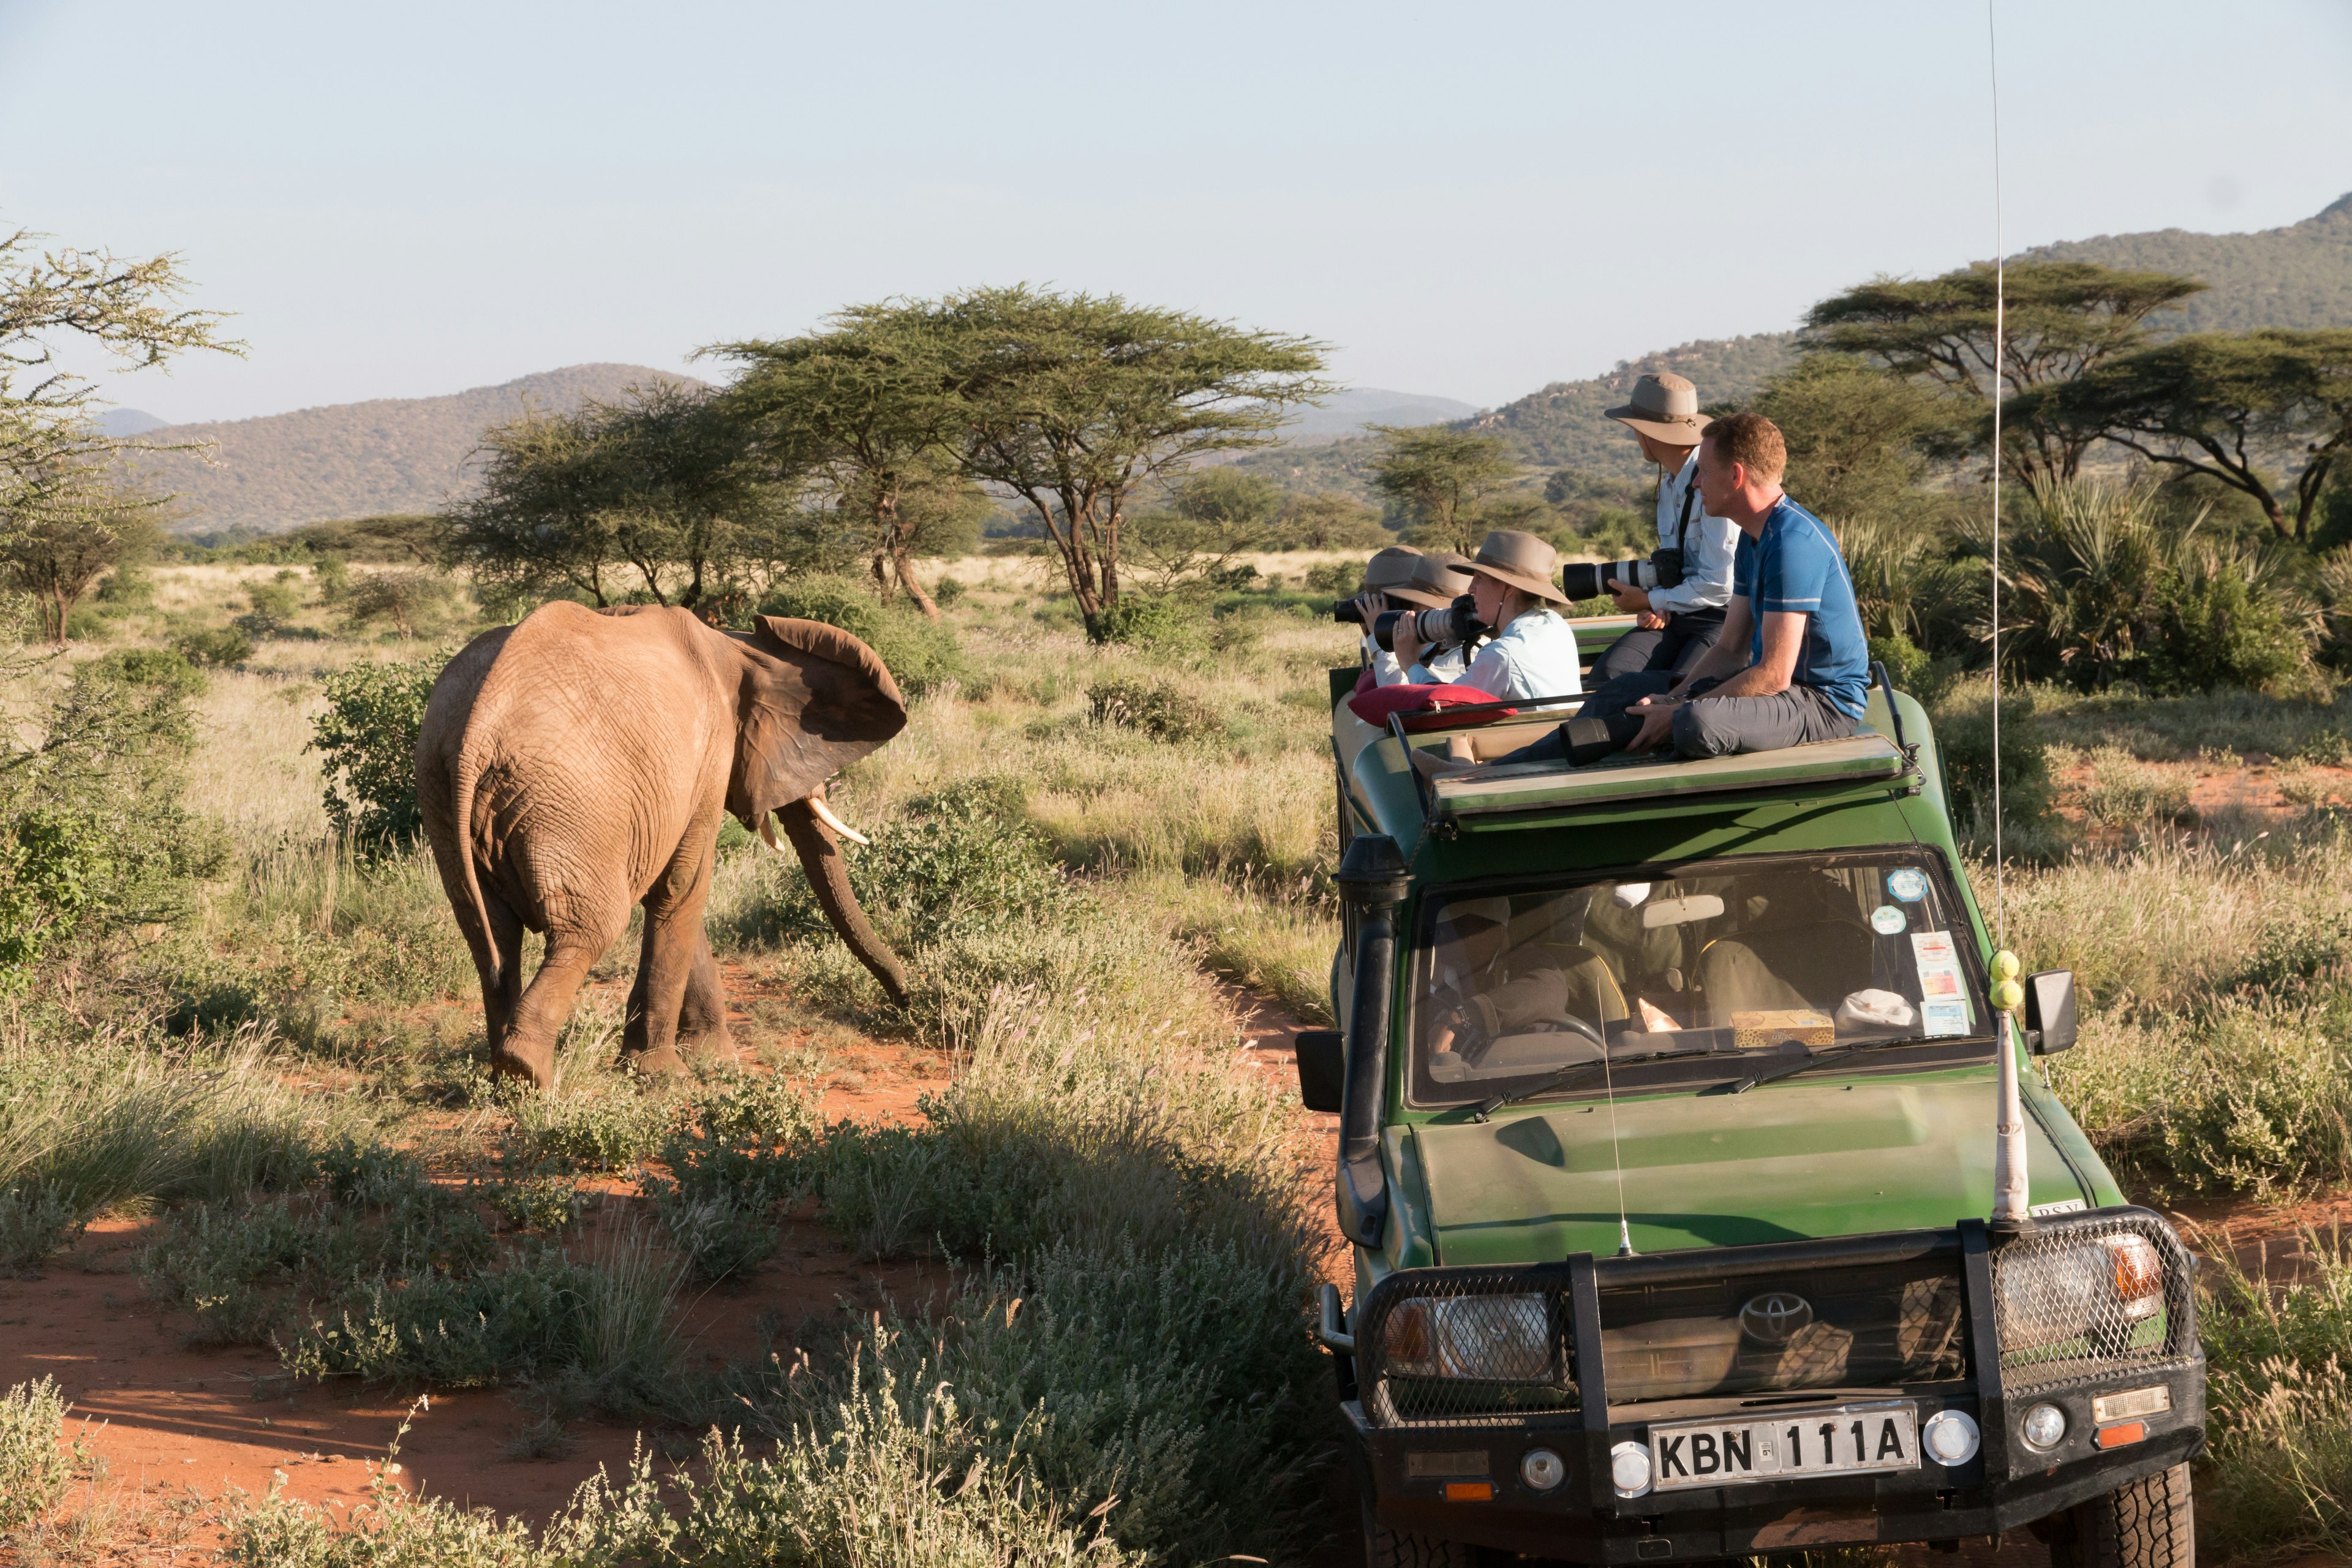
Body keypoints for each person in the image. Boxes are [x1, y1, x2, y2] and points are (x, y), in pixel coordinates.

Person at [1448, 413, 1864, 771]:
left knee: (1695, 723)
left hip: (1823, 703)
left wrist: (1679, 711)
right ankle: (1498, 772)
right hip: (1781, 691)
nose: (1696, 483)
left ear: (1735, 476)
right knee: (1625, 690)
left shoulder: (1793, 543)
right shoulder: (1756, 539)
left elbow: (1774, 674)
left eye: (1704, 471)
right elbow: (1730, 648)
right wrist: (1673, 696)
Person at [1588, 372, 1742, 685]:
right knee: (1609, 675)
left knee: (1683, 690)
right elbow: (1677, 567)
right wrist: (1658, 604)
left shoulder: (1711, 482)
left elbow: (1718, 585)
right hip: (1680, 613)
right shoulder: (1669, 486)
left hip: (1725, 618)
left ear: (1648, 434)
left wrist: (1651, 601)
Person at [1393, 530, 1583, 702]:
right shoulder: (1555, 623)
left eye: (1480, 579)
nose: (1470, 589)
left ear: (1508, 589)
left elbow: (1444, 704)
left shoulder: (1502, 655)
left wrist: (1409, 662)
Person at [1366, 554, 1476, 686]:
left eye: (1418, 604)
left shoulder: (1467, 655)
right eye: (1411, 603)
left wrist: (1378, 640)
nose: (1412, 612)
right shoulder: (1439, 644)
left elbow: (1400, 697)